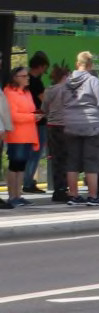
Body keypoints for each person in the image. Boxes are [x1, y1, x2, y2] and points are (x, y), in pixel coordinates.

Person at [61, 52, 99, 207]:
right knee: (92, 161)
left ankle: (73, 195)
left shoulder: (66, 83)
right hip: (93, 126)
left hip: (71, 125)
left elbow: (61, 103)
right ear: (90, 65)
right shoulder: (94, 81)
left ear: (77, 64)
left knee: (72, 161)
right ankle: (93, 197)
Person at [3, 66, 38, 210]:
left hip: (28, 133)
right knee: (15, 166)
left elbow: (30, 109)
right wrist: (32, 117)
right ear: (15, 78)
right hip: (16, 135)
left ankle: (18, 194)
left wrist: (35, 115)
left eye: (27, 76)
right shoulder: (9, 92)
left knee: (21, 166)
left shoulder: (27, 92)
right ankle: (12, 196)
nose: (27, 78)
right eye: (23, 76)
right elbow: (13, 115)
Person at [40, 65, 70, 203]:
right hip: (66, 125)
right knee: (67, 159)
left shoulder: (49, 90)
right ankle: (65, 188)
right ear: (64, 76)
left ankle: (59, 189)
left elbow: (44, 108)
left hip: (52, 126)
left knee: (56, 159)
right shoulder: (68, 90)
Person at [22, 51, 48, 193]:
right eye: (44, 67)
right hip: (38, 120)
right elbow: (44, 99)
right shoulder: (36, 81)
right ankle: (28, 182)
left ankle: (27, 180)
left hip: (27, 120)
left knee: (28, 152)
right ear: (40, 66)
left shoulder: (26, 80)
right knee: (36, 152)